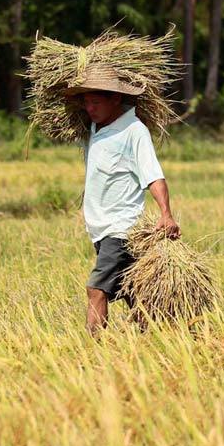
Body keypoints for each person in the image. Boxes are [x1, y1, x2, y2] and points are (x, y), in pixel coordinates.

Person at [66, 67, 181, 335]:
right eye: (86, 102)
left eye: (96, 102)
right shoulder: (94, 126)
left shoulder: (134, 131)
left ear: (115, 99)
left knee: (96, 289)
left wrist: (166, 214)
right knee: (131, 290)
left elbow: (154, 176)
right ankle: (156, 338)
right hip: (98, 228)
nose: (90, 108)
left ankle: (94, 350)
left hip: (121, 228)